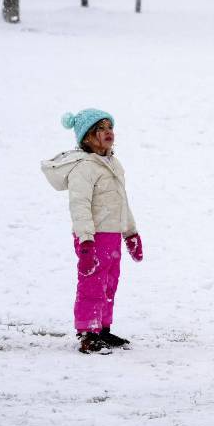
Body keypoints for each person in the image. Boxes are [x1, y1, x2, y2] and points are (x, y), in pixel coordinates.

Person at [41, 108, 144, 354]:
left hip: (112, 236)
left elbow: (122, 202)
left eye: (110, 127)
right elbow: (80, 206)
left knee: (109, 283)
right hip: (93, 237)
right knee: (92, 285)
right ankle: (88, 333)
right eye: (100, 129)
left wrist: (130, 233)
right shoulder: (83, 167)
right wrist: (85, 241)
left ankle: (103, 329)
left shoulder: (114, 164)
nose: (108, 132)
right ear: (87, 137)